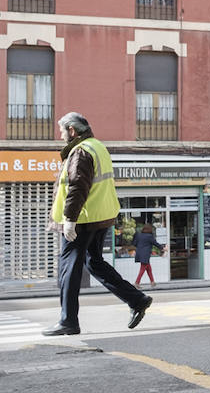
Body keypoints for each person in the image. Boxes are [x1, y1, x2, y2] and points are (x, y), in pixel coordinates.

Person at [44, 112, 153, 336]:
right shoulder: (98, 146)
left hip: (82, 220)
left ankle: (68, 321)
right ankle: (137, 299)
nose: (61, 135)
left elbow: (77, 188)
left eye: (62, 131)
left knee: (69, 269)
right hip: (100, 217)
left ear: (72, 131)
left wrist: (69, 221)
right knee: (95, 263)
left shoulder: (81, 152)